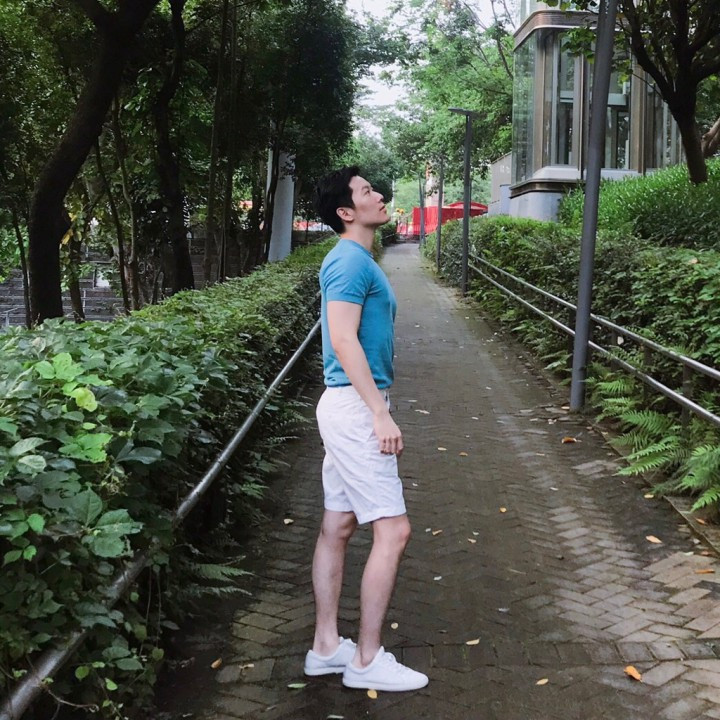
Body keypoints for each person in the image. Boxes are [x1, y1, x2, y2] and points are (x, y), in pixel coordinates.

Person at [303, 166, 428, 692]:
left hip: (348, 404)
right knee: (393, 531)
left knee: (338, 525)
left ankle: (326, 648)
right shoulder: (349, 260)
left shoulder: (356, 258)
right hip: (356, 407)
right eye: (366, 191)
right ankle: (366, 660)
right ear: (346, 212)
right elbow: (342, 338)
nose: (378, 195)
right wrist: (379, 412)